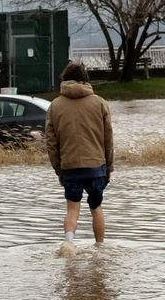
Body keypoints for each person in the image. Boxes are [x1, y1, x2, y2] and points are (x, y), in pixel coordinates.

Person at [45, 62, 114, 244]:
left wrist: (58, 169)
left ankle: (68, 244)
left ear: (64, 79)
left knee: (72, 210)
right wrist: (109, 167)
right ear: (85, 79)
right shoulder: (100, 103)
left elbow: (51, 143)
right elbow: (108, 140)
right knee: (96, 207)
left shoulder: (55, 106)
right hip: (96, 167)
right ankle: (99, 249)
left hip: (70, 167)